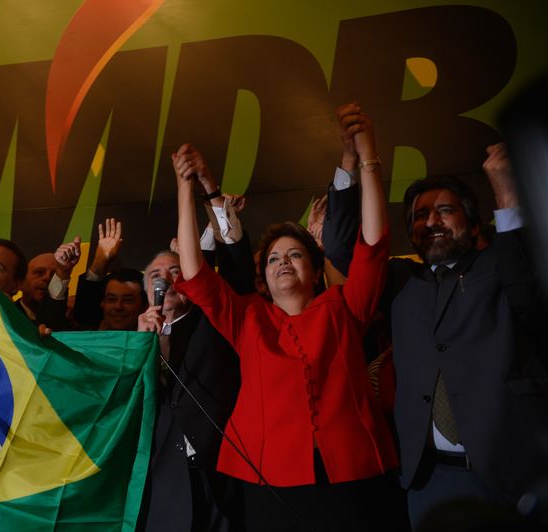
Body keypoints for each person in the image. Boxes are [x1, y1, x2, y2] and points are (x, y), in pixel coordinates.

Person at [173, 106, 399, 531]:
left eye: (295, 254)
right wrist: (186, 188)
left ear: (315, 270)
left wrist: (367, 155)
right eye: (274, 258)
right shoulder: (247, 317)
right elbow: (193, 272)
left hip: (351, 476)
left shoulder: (345, 307)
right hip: (269, 481)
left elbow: (373, 243)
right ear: (263, 277)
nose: (283, 263)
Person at [387, 143, 548, 528]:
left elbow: (528, 293)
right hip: (431, 479)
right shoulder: (399, 283)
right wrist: (353, 160)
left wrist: (507, 196)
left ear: (474, 223)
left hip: (512, 472)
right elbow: (346, 248)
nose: (431, 223)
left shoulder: (500, 263)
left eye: (444, 210)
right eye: (420, 216)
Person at [136, 146, 252, 532]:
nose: (165, 279)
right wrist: (136, 352)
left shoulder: (214, 320)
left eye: (174, 271)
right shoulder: (132, 338)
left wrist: (208, 190)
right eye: (155, 273)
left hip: (219, 473)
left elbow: (235, 264)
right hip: (157, 479)